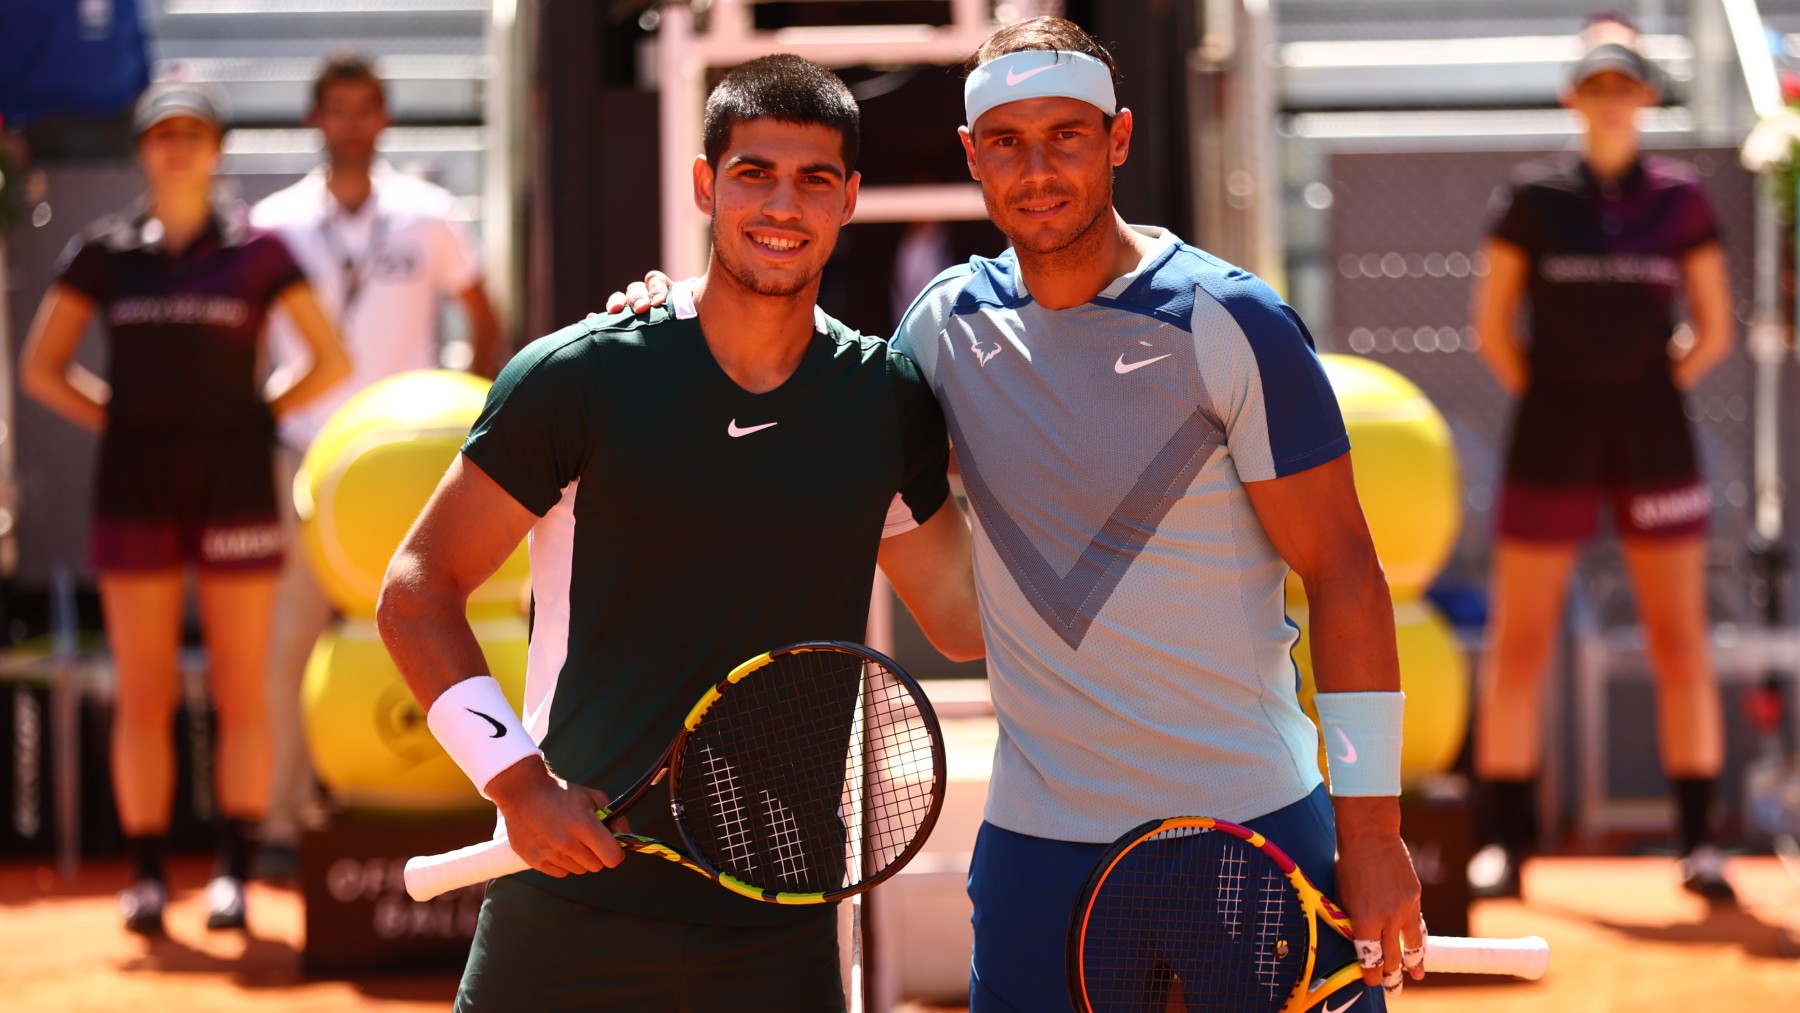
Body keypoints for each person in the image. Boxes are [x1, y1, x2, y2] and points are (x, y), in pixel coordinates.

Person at [611, 17, 1425, 1012]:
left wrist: (1374, 833)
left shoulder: (1233, 320)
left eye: (1066, 136)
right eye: (1006, 141)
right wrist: (671, 318)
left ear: (1118, 138)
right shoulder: (945, 330)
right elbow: (807, 410)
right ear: (970, 154)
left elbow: (1344, 571)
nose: (1037, 170)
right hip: (1041, 848)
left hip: (1251, 827)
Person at [375, 55, 981, 1011]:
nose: (784, 204)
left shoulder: (884, 402)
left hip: (775, 915)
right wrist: (517, 785)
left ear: (851, 200)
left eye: (816, 179)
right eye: (754, 174)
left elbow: (966, 623)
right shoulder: (580, 376)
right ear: (705, 184)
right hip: (567, 912)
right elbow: (416, 589)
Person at [18, 80, 351, 934]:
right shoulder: (104, 253)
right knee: (145, 688)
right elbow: (41, 367)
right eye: (162, 135)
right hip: (136, 483)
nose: (176, 149)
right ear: (142, 149)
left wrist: (261, 413)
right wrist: (123, 419)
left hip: (236, 479)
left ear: (216, 149)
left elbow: (329, 357)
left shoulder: (259, 250)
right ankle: (147, 874)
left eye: (192, 135)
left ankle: (234, 871)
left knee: (241, 686)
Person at [1468, 24, 1736, 900]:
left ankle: (1699, 846)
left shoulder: (1683, 200)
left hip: (1653, 433)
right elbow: (1494, 329)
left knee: (1678, 639)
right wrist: (1564, 394)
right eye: (1597, 86)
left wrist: (1644, 388)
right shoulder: (1533, 199)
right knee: (1522, 641)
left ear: (1647, 97)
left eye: (1626, 85)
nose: (1612, 100)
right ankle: (1510, 845)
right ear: (1572, 98)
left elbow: (1714, 328)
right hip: (1553, 431)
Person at [249, 52, 502, 878]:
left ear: (384, 118)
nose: (352, 124)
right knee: (292, 646)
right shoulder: (274, 220)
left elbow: (481, 313)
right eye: (338, 109)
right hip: (308, 462)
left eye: (365, 109)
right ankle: (290, 822)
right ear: (314, 120)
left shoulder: (425, 212)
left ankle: (458, 806)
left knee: (431, 631)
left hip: (409, 463)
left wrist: (463, 412)